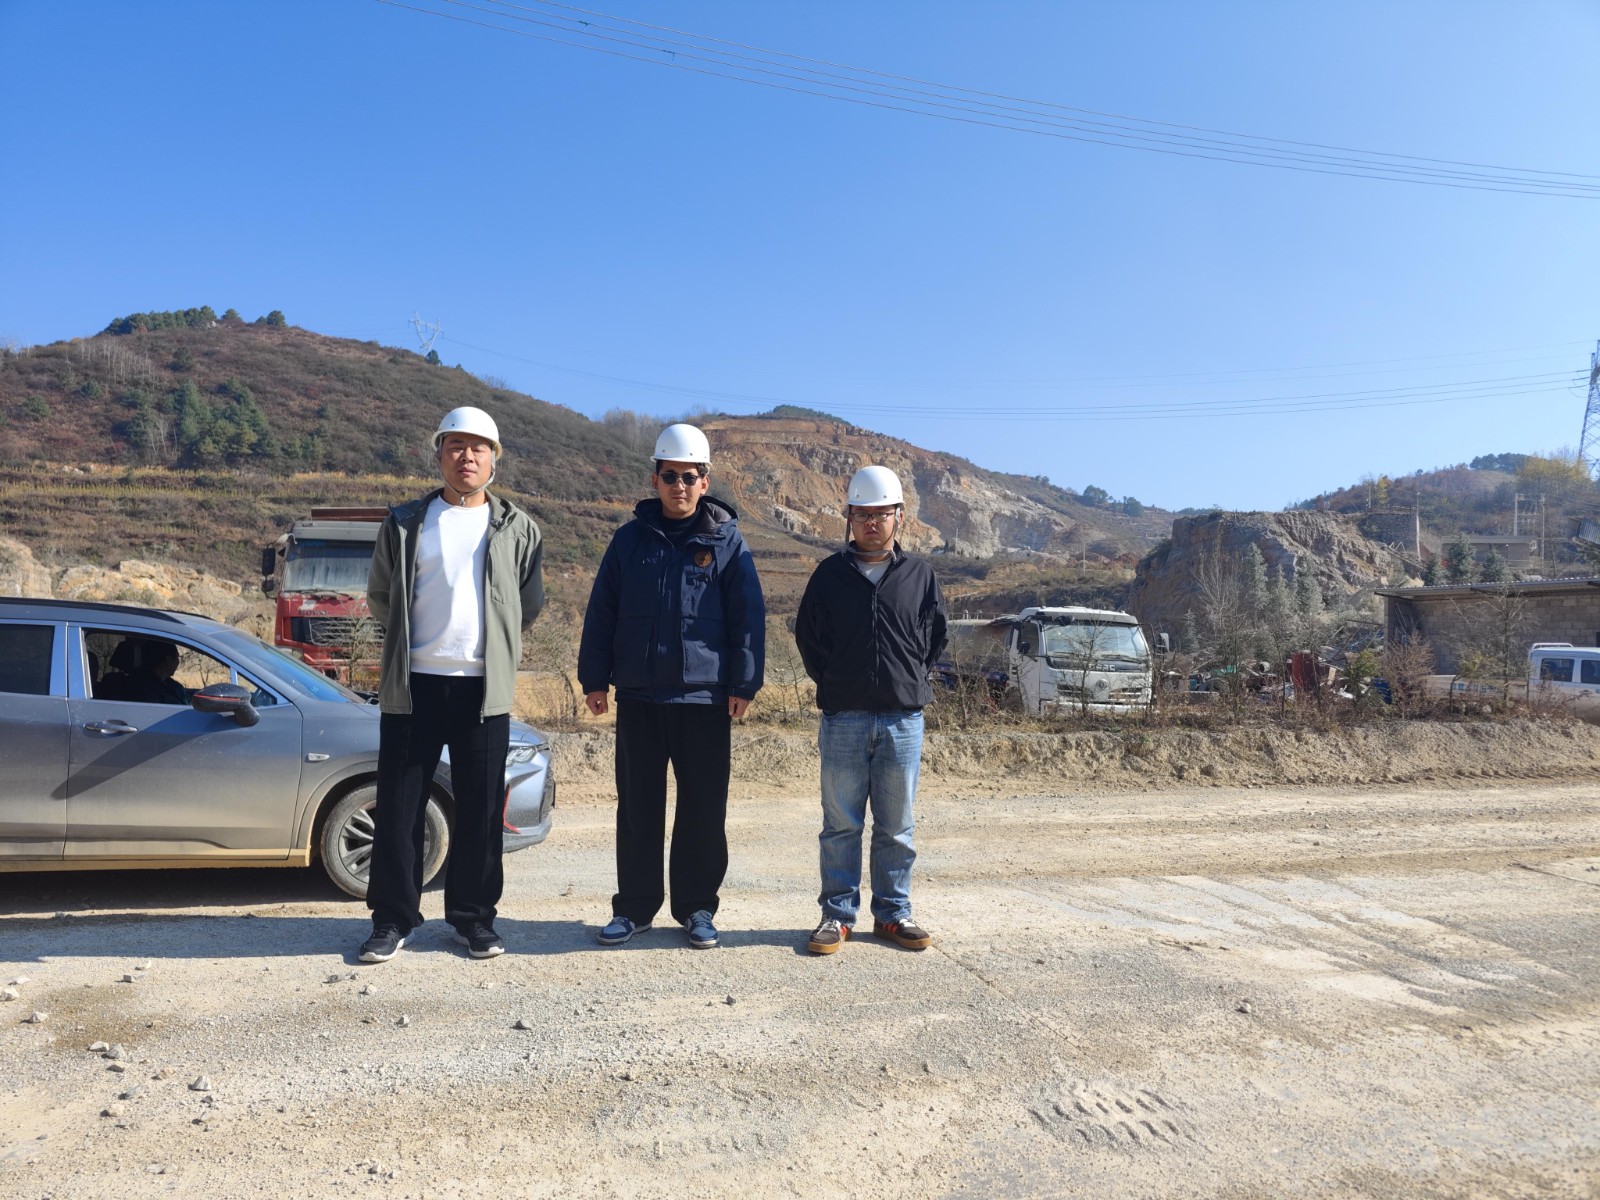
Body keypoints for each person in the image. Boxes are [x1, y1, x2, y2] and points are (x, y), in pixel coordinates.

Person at [358, 406, 544, 964]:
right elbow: (381, 596)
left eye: (478, 447)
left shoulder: (518, 528)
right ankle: (392, 919)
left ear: (494, 458)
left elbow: (527, 604)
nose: (467, 456)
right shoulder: (405, 522)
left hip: (482, 691)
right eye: (456, 446)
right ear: (438, 453)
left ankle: (473, 919)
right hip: (413, 686)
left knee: (482, 812)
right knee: (400, 808)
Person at [577, 423, 765, 950]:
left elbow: (747, 617)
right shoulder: (629, 541)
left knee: (703, 809)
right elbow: (602, 612)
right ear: (654, 479)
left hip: (705, 699)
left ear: (705, 481)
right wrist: (595, 678)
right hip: (640, 695)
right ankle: (634, 909)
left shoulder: (726, 542)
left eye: (688, 477)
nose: (678, 485)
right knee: (638, 808)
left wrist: (744, 682)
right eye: (669, 476)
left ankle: (697, 907)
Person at [794, 465, 947, 955]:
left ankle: (893, 914)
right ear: (849, 518)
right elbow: (809, 638)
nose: (872, 523)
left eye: (881, 514)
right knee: (841, 823)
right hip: (844, 718)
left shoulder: (919, 575)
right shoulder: (829, 575)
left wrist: (908, 679)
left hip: (903, 718)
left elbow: (935, 636)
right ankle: (837, 915)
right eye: (862, 515)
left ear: (899, 516)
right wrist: (836, 683)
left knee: (897, 826)